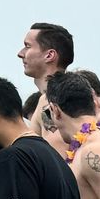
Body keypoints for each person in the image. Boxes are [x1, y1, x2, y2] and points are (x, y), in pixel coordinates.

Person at [17, 22, 73, 155]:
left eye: (27, 46)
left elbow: (61, 158)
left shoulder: (54, 101)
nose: (20, 53)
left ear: (49, 55)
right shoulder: (45, 99)